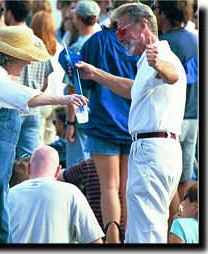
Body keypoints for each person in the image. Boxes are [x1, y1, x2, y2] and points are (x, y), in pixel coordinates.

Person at [0, 25, 88, 243]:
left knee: (1, 229)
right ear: (10, 57)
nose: (30, 62)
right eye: (26, 57)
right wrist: (64, 99)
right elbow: (24, 96)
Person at [70, 2, 187, 243]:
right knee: (145, 224)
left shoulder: (159, 56)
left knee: (145, 228)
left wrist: (158, 65)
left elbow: (172, 75)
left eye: (122, 30)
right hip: (160, 148)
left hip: (152, 149)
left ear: (143, 25)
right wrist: (94, 73)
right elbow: (134, 89)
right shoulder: (151, 58)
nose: (118, 36)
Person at [78, 0, 138, 243]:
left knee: (109, 188)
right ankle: (129, 238)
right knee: (127, 189)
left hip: (104, 121)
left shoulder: (96, 41)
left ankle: (113, 241)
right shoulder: (139, 42)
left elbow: (86, 82)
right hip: (134, 123)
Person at [151, 0, 198, 235]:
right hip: (195, 119)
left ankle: (173, 235)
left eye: (156, 9)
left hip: (173, 121)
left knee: (169, 185)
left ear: (165, 13)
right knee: (184, 182)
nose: (154, 13)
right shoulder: (196, 38)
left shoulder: (167, 44)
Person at [7, 145, 104, 243]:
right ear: (58, 170)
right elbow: (94, 240)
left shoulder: (9, 195)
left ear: (28, 168)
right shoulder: (71, 193)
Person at [4, 0, 54, 159]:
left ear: (9, 13)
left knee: (7, 163)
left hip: (11, 109)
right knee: (30, 163)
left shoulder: (6, 40)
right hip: (33, 110)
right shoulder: (38, 42)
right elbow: (46, 82)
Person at [63, 0, 101, 168]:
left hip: (81, 116)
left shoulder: (78, 46)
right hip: (100, 114)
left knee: (79, 170)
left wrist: (70, 123)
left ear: (77, 17)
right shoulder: (103, 42)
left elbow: (73, 87)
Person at [30, 10, 66, 145]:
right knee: (50, 143)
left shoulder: (33, 49)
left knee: (37, 144)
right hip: (57, 100)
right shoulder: (60, 48)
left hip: (41, 99)